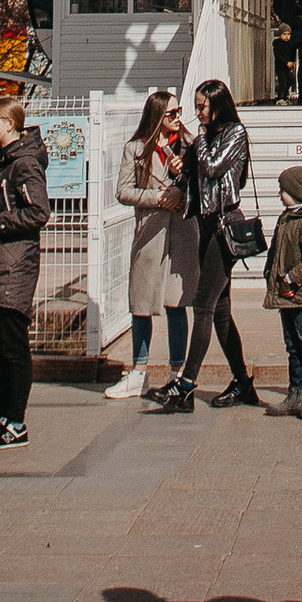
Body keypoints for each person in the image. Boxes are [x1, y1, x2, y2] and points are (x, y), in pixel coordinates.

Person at [153, 76, 261, 412]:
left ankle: (185, 385)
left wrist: (196, 146)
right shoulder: (205, 138)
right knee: (221, 312)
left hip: (225, 224)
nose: (197, 113)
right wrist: (180, 170)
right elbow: (197, 180)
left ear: (218, 105)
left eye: (202, 106)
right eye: (196, 107)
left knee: (202, 305)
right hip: (205, 223)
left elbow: (214, 167)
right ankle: (243, 383)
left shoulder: (234, 133)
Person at [0, 83, 50, 447]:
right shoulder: (1, 160)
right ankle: (4, 412)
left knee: (13, 345)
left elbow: (38, 212)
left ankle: (16, 421)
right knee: (1, 344)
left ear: (7, 122)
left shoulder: (24, 163)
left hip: (14, 263)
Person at [109, 83, 195, 399]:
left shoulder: (189, 145)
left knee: (176, 303)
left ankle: (177, 371)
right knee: (141, 303)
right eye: (171, 113)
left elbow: (199, 186)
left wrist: (180, 188)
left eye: (179, 112)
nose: (177, 117)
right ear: (157, 115)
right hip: (150, 233)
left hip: (182, 232)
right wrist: (157, 197)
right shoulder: (137, 148)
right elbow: (123, 191)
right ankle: (139, 371)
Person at [264, 156, 302, 417]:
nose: (280, 195)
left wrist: (292, 278)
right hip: (284, 296)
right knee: (292, 346)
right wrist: (270, 272)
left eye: (284, 190)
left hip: (299, 295)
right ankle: (296, 391)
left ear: (296, 192)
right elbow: (275, 251)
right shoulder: (286, 219)